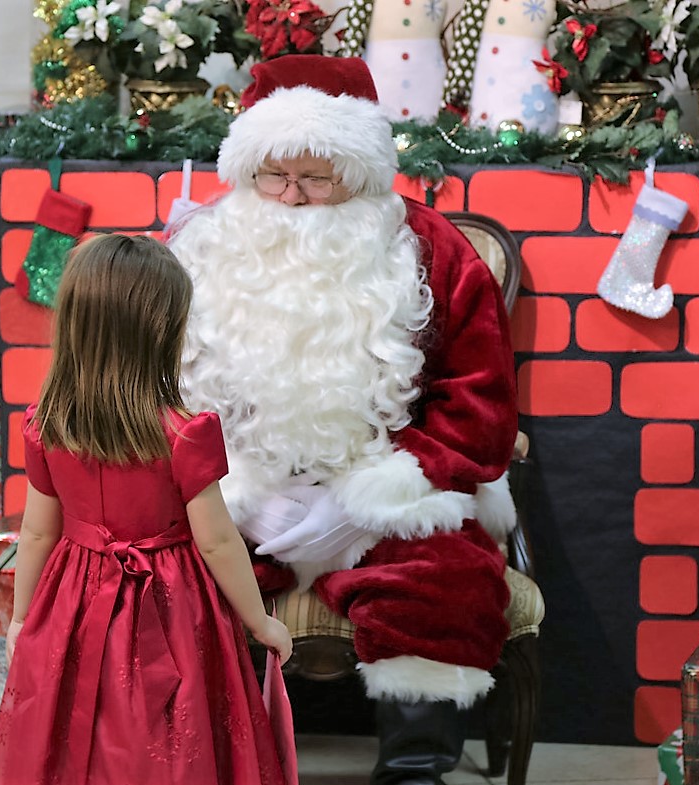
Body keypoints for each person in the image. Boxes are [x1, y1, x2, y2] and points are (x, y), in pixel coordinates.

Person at [168, 54, 519, 785]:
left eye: (316, 178)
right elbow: (152, 392)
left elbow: (478, 402)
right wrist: (230, 492)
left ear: (357, 173)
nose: (291, 197)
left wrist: (373, 498)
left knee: (445, 582)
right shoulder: (196, 249)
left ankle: (414, 773)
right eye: (272, 174)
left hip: (386, 499)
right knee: (160, 579)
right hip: (231, 500)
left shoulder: (432, 251)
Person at [0, 233, 293, 785]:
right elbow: (217, 541)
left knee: (80, 725)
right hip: (171, 602)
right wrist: (260, 622)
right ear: (161, 333)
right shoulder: (185, 434)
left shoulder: (45, 425)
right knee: (171, 726)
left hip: (71, 601)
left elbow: (36, 534)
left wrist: (19, 619)